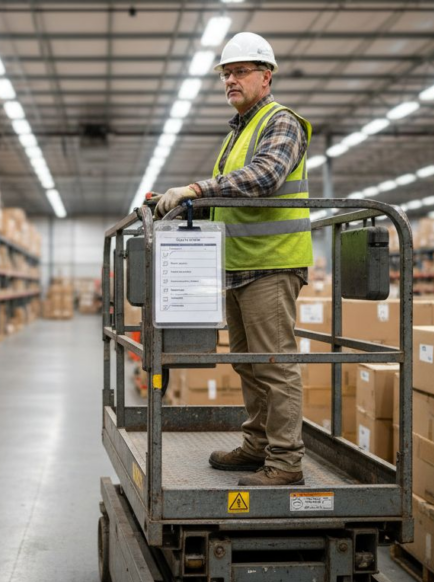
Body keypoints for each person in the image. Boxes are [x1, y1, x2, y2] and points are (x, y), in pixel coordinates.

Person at [153, 32, 312, 487]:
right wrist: (180, 202)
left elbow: (265, 176)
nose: (231, 80)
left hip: (271, 263)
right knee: (247, 362)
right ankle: (257, 445)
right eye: (226, 74)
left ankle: (285, 462)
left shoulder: (281, 122)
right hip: (239, 265)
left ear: (267, 76)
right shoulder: (239, 131)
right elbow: (230, 198)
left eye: (240, 71)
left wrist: (197, 189)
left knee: (275, 364)